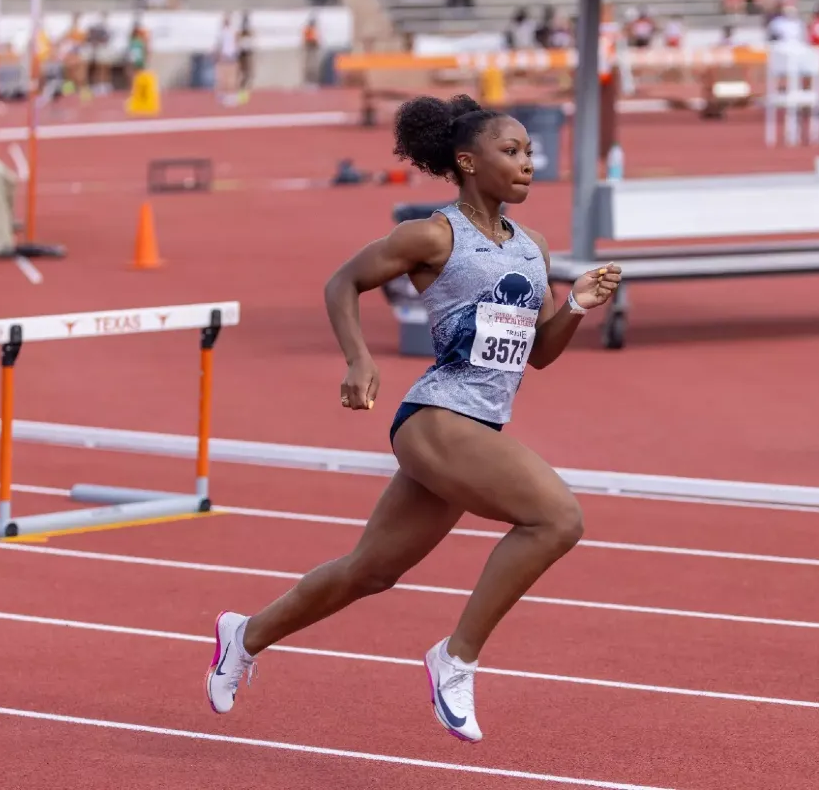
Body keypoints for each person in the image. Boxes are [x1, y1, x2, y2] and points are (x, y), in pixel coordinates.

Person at [205, 94, 622, 743]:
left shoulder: (533, 247)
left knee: (370, 570)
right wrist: (357, 360)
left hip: (478, 427)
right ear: (466, 161)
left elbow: (540, 353)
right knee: (557, 518)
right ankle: (455, 659)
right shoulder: (435, 235)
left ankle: (245, 633)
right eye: (510, 152)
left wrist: (577, 306)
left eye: (529, 152)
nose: (527, 163)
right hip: (436, 417)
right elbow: (342, 282)